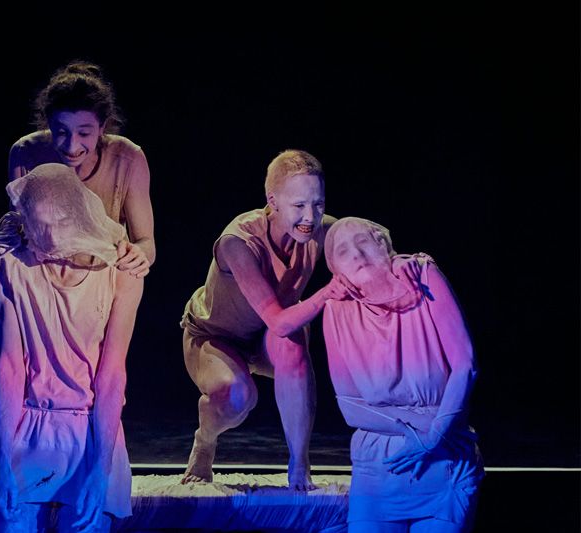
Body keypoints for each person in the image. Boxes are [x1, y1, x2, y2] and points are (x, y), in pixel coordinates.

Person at [0, 163, 143, 532]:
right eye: (40, 225)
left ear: (79, 216)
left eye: (61, 223)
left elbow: (112, 374)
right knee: (10, 521)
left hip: (92, 430)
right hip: (32, 423)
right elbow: (10, 366)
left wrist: (101, 470)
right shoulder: (10, 265)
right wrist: (0, 461)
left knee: (87, 522)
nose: (50, 237)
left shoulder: (120, 272)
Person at [180, 149, 353, 491]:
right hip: (217, 336)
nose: (310, 216)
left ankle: (299, 462)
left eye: (318, 204)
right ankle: (205, 441)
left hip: (267, 339)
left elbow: (373, 244)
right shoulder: (238, 241)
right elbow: (277, 319)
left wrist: (406, 264)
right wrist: (327, 293)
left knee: (292, 344)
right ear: (272, 201)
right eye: (299, 205)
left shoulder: (323, 230)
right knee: (238, 396)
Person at [321, 216, 484, 533]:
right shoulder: (336, 311)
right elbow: (350, 406)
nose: (356, 254)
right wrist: (425, 428)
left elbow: (466, 365)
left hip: (445, 461)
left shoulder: (423, 275)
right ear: (335, 270)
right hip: (377, 469)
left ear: (383, 244)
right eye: (343, 251)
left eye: (363, 242)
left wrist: (436, 437)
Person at [8, 60, 154, 278]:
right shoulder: (25, 153)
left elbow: (146, 243)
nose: (72, 146)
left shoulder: (128, 159)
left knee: (132, 278)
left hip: (105, 274)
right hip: (42, 275)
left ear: (102, 127)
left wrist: (138, 254)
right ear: (49, 124)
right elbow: (18, 232)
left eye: (84, 133)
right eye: (61, 132)